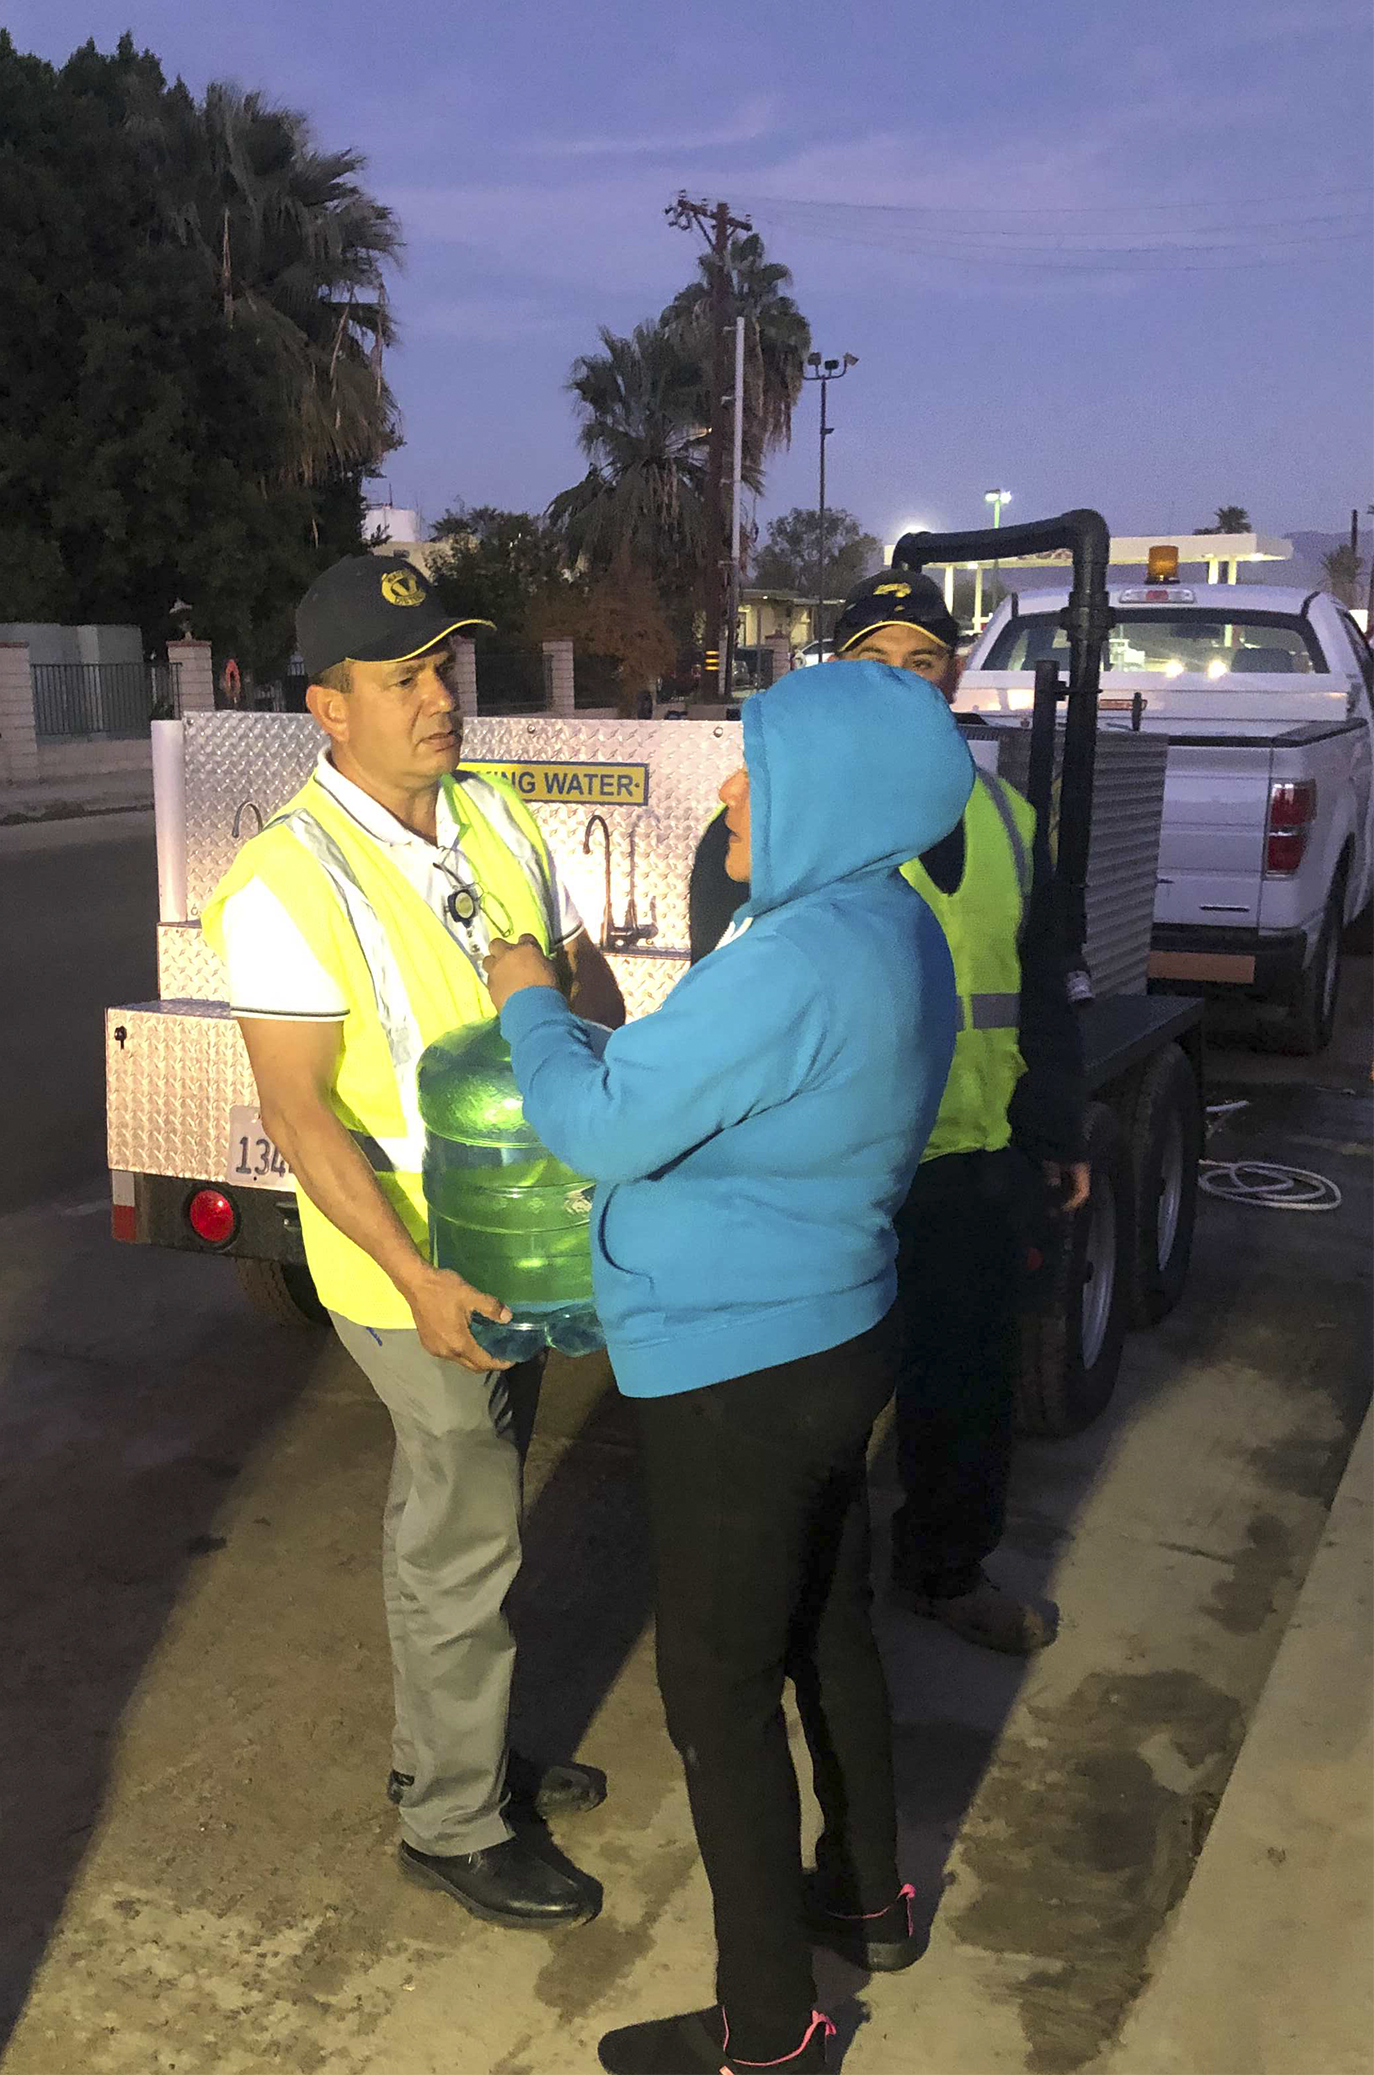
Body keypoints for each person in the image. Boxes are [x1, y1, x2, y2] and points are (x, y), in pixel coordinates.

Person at [485, 661, 973, 2075]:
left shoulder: (790, 956)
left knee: (712, 1690)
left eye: (755, 767)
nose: (726, 792)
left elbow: (592, 1120)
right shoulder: (890, 924)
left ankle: (770, 2025)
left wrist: (528, 999)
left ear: (831, 793)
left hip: (738, 1368)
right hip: (834, 1330)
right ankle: (868, 1897)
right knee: (820, 1620)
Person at [201, 555, 625, 1930]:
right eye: (402, 679)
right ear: (328, 707)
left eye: (443, 668)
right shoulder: (286, 877)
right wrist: (414, 1276)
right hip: (414, 1262)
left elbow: (575, 977)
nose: (438, 699)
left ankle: (473, 1746)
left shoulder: (492, 809)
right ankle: (449, 1819)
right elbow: (301, 1118)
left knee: (486, 1500)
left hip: (531, 1233)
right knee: (458, 1531)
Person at [689, 568, 1088, 1655]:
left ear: (953, 675)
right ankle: (804, 1597)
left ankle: (945, 1569)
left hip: (972, 1158)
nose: (906, 680)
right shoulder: (785, 811)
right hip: (833, 1166)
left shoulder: (1009, 819)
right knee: (815, 1399)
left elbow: (1046, 980)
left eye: (925, 659)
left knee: (966, 1379)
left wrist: (1055, 1126)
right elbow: (726, 992)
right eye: (877, 660)